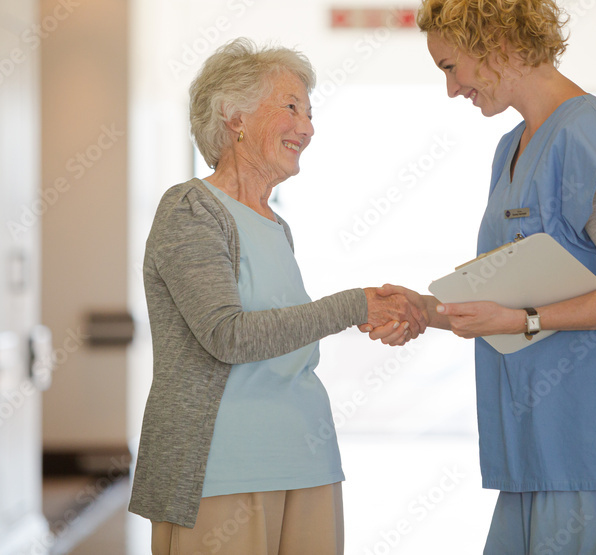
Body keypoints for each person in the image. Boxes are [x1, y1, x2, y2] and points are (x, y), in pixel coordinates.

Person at [371, 0, 596, 553]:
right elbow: (510, 296)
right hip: (538, 444)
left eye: (450, 66)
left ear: (493, 42)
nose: (451, 88)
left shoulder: (591, 135)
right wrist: (426, 309)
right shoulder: (510, 148)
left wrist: (525, 322)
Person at [129, 37, 426, 555]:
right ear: (234, 116)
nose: (308, 128)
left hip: (307, 460)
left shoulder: (276, 226)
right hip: (224, 469)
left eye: (310, 113)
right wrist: (352, 306)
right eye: (291, 108)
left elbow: (289, 332)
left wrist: (376, 315)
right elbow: (227, 336)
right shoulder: (191, 208)